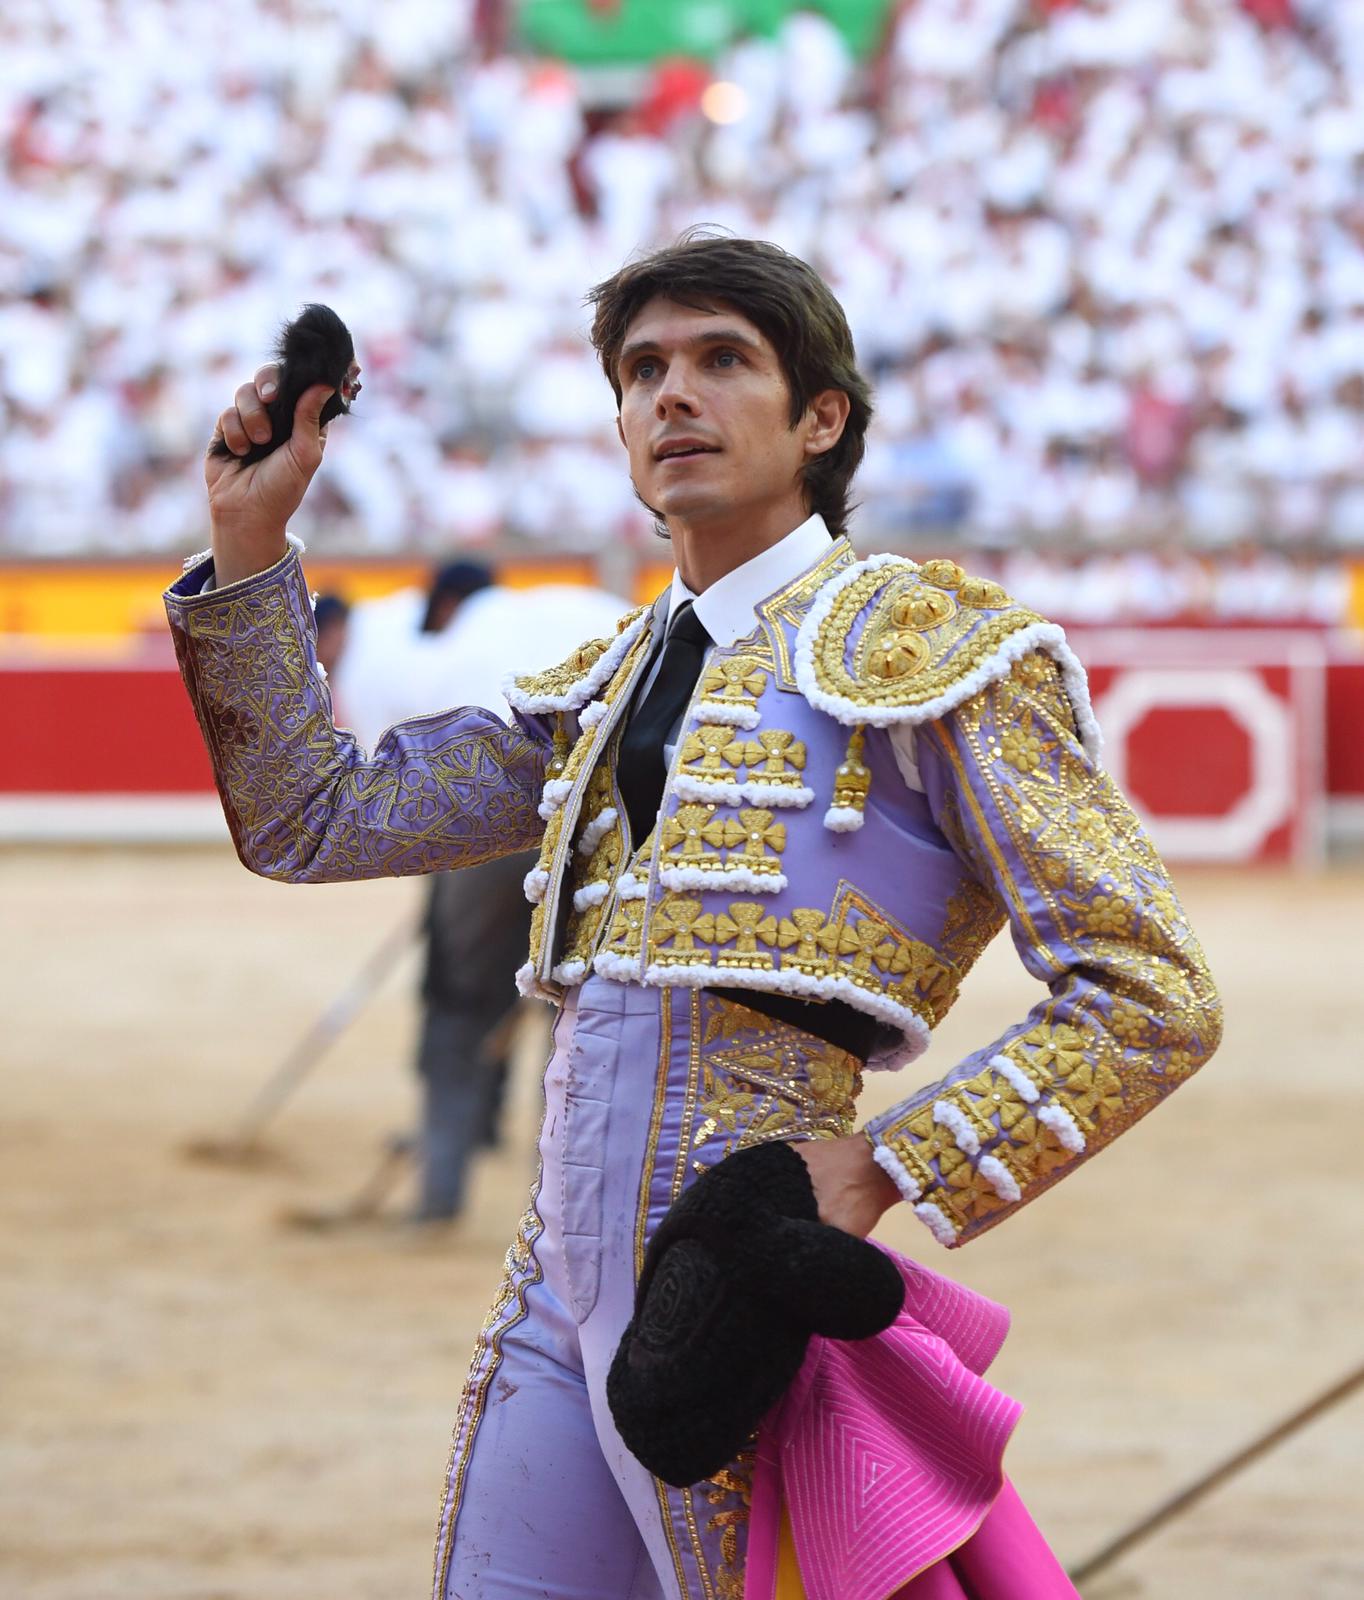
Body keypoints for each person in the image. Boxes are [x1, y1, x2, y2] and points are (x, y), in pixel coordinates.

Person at [166, 234, 1220, 1600]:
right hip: (556, 1288)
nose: (674, 394)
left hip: (743, 1269)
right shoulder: (603, 684)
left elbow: (1152, 991)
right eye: (644, 370)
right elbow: (314, 822)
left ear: (820, 418)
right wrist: (251, 544)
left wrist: (881, 1169)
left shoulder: (935, 654)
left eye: (724, 360)